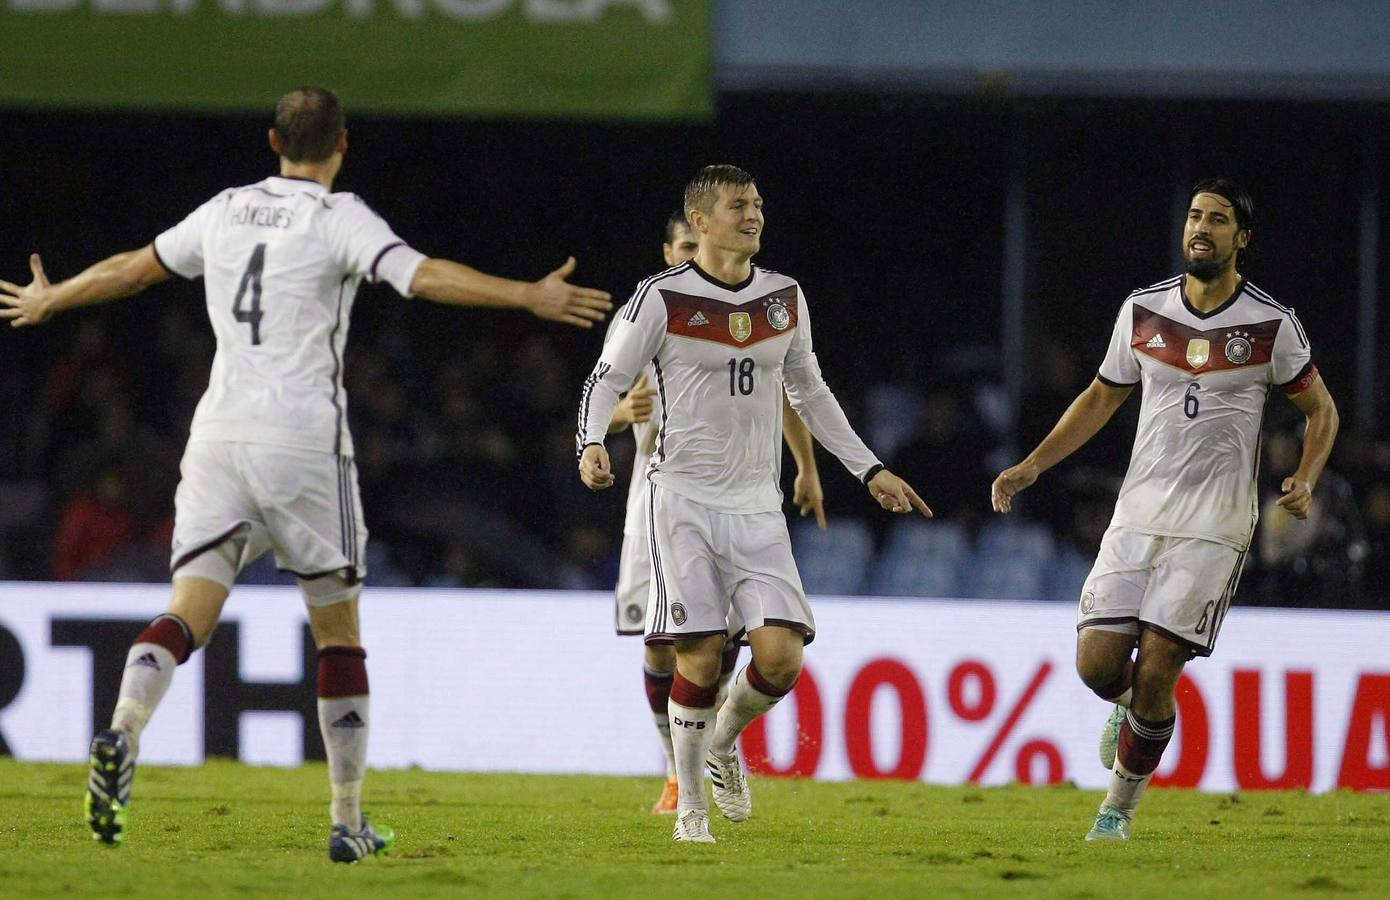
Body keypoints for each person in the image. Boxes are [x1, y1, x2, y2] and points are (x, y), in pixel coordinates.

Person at [0, 86, 612, 860]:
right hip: (302, 442)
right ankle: (348, 819)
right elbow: (422, 276)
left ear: (272, 141)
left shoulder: (224, 209)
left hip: (218, 437)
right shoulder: (338, 217)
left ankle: (123, 727)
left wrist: (55, 296)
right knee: (337, 634)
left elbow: (134, 269)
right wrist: (526, 294)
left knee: (188, 612)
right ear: (342, 144)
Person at [577, 165, 929, 843]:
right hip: (681, 500)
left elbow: (810, 392)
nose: (754, 215)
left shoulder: (783, 298)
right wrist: (590, 442)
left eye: (759, 204)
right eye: (739, 205)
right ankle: (690, 812)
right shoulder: (661, 297)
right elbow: (605, 378)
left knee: (780, 658)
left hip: (756, 505)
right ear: (700, 221)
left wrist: (868, 469)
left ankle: (720, 741)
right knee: (699, 653)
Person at [990, 178, 1338, 841]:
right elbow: (1100, 397)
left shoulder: (1271, 325)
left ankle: (1115, 813)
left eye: (1218, 219)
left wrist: (1306, 476)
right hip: (1137, 515)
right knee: (1097, 665)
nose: (1201, 227)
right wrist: (1034, 464)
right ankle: (1137, 713)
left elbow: (1322, 411)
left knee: (1156, 667)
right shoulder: (1143, 311)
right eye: (1195, 216)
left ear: (1242, 239)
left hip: (1215, 527)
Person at [608, 210, 826, 815]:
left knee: (716, 642)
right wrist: (621, 415)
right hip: (656, 502)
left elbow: (782, 390)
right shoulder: (646, 311)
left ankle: (704, 756)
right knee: (661, 647)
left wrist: (806, 466)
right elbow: (601, 399)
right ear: (668, 250)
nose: (690, 256)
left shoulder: (744, 312)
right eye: (681, 247)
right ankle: (674, 767)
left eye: (695, 245)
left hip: (733, 500)